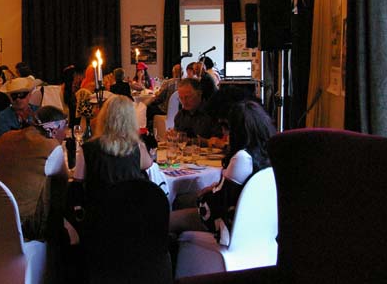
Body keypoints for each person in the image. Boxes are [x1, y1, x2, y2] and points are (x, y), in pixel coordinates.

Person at [169, 100, 276, 238]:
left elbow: (216, 205)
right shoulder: (266, 153)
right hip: (253, 222)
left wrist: (206, 194)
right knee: (184, 200)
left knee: (167, 218)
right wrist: (215, 189)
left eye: (226, 128)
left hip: (227, 224)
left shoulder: (242, 158)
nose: (224, 133)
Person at [0, 106, 70, 241]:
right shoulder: (50, 146)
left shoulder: (7, 137)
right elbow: (64, 182)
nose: (65, 135)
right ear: (55, 130)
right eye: (65, 129)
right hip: (20, 231)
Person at [75, 95, 153, 199]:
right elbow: (148, 164)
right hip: (129, 205)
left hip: (98, 206)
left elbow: (77, 180)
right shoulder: (137, 147)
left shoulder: (87, 149)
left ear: (103, 117)